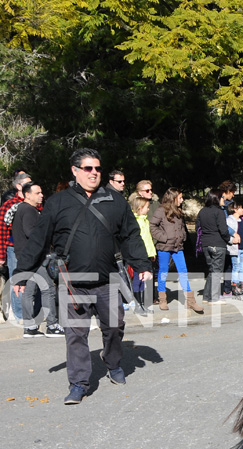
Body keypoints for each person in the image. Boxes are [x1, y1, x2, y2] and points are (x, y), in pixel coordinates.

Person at [13, 148, 152, 405]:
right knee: (75, 334)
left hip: (107, 279)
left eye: (97, 168)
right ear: (75, 171)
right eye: (88, 168)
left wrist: (142, 264)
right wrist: (22, 274)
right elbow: (39, 240)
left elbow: (131, 235)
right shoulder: (57, 202)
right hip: (72, 281)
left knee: (114, 327)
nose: (94, 173)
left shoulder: (115, 201)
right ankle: (78, 383)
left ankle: (112, 362)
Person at [12, 182, 64, 337]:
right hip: (33, 256)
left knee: (29, 291)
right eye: (37, 193)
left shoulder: (23, 209)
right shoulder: (28, 210)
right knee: (48, 289)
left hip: (26, 255)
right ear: (27, 194)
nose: (41, 195)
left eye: (41, 192)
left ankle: (30, 327)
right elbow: (31, 232)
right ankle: (52, 325)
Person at [150, 188, 204, 314]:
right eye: (180, 197)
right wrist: (163, 237)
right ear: (173, 198)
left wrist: (183, 236)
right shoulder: (161, 210)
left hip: (178, 246)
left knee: (183, 271)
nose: (182, 200)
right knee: (163, 271)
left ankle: (190, 300)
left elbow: (181, 227)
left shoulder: (178, 211)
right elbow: (152, 225)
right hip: (164, 246)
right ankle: (162, 298)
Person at [1, 171, 32, 323]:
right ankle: (20, 315)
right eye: (27, 183)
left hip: (33, 248)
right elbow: (2, 232)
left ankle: (33, 312)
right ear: (19, 186)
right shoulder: (9, 205)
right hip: (14, 248)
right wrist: (1, 255)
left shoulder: (35, 202)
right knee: (17, 280)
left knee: (34, 280)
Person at [197, 189, 234, 305]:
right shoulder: (219, 212)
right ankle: (214, 297)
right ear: (217, 198)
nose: (224, 199)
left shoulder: (202, 211)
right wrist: (230, 240)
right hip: (218, 244)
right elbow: (223, 230)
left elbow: (198, 227)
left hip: (206, 244)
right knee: (217, 271)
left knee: (212, 270)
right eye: (222, 197)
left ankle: (206, 296)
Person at [129, 195, 156, 315]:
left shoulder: (145, 220)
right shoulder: (136, 222)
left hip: (146, 255)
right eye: (146, 207)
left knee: (143, 281)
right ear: (140, 208)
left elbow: (148, 239)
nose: (148, 209)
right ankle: (137, 305)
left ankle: (143, 305)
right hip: (138, 255)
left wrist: (152, 253)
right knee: (137, 280)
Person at [226, 199, 243, 298]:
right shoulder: (229, 220)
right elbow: (226, 233)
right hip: (235, 248)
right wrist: (232, 240)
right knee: (236, 267)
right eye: (240, 208)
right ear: (235, 209)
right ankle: (235, 285)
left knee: (242, 267)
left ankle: (242, 284)